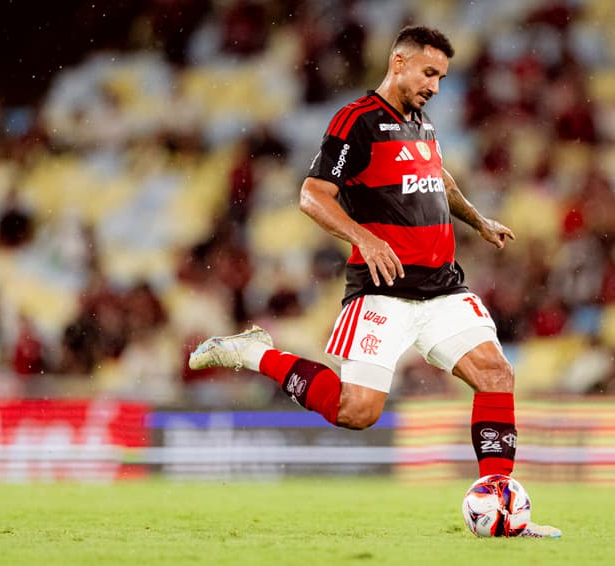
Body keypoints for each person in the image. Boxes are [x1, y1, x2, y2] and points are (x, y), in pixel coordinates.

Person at [190, 25, 561, 539]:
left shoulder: (421, 123)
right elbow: (312, 195)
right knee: (356, 411)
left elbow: (440, 179)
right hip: (383, 291)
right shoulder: (356, 121)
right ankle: (253, 353)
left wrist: (478, 220)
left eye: (442, 77)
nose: (435, 85)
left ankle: (500, 508)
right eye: (429, 73)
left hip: (443, 289)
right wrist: (364, 237)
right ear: (399, 62)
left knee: (497, 375)